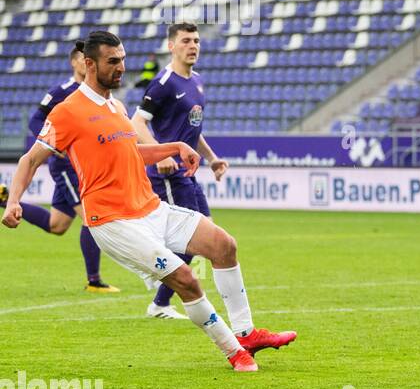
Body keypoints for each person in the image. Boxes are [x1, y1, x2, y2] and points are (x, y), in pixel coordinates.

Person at [2, 30, 296, 371]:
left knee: (223, 244)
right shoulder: (67, 112)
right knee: (186, 278)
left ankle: (246, 333)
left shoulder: (117, 106)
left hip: (150, 208)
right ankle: (234, 352)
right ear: (89, 64)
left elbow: (132, 152)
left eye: (123, 60)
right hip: (112, 221)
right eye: (112, 62)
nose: (121, 68)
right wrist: (14, 201)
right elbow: (30, 159)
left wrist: (175, 147)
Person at [0, 41, 119, 293]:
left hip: (82, 166)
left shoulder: (97, 93)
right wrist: (56, 145)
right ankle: (94, 281)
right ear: (76, 62)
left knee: (57, 225)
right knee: (91, 218)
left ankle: (4, 199)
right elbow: (36, 120)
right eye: (80, 58)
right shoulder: (62, 91)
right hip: (66, 167)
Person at [130, 22, 229, 320]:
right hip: (167, 174)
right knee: (192, 237)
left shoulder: (196, 82)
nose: (193, 46)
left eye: (196, 40)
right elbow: (137, 123)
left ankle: (158, 283)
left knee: (207, 233)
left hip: (189, 173)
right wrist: (160, 153)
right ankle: (160, 299)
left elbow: (192, 130)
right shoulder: (164, 83)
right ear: (171, 45)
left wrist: (211, 159)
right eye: (186, 40)